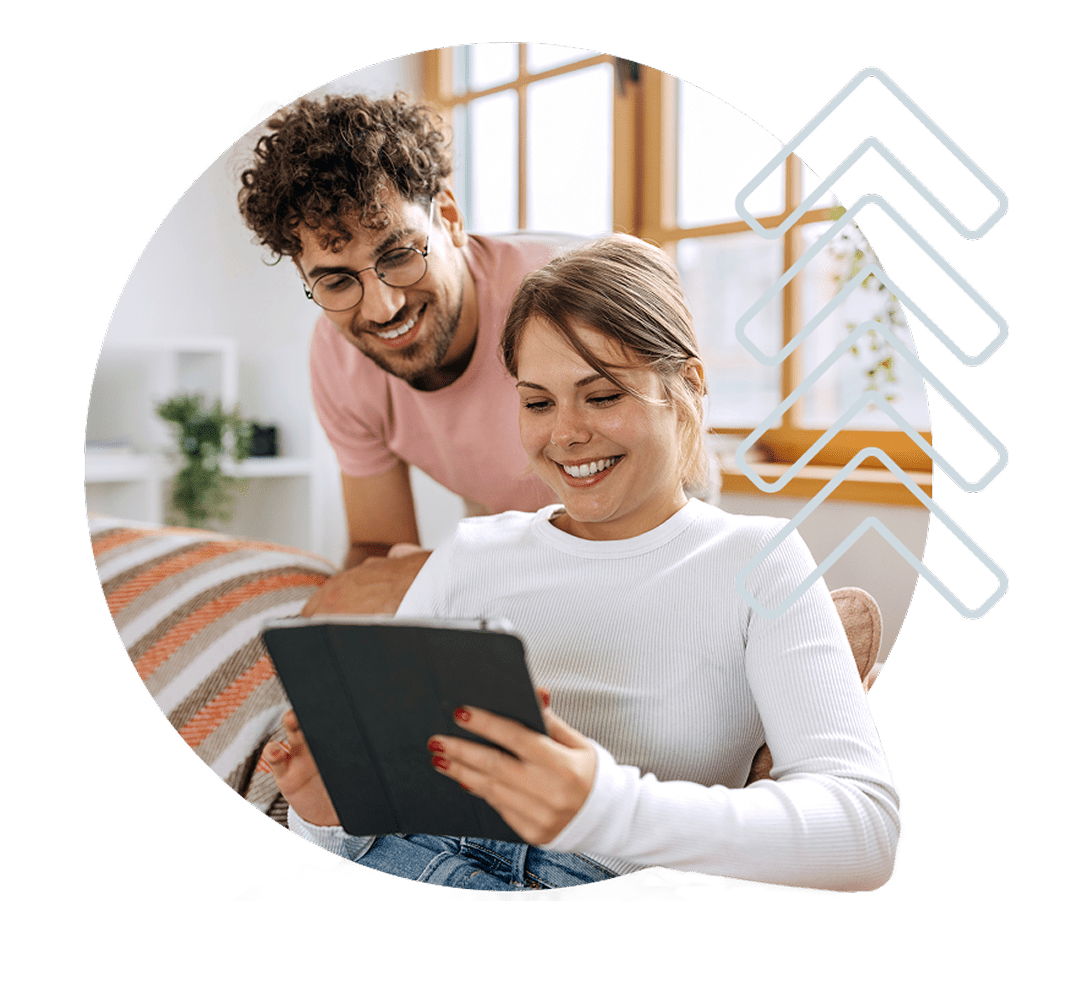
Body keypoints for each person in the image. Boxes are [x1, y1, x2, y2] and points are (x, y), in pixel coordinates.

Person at [264, 234, 901, 894]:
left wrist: (603, 807)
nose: (565, 435)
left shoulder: (759, 562)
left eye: (602, 397)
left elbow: (863, 833)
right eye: (538, 402)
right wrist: (324, 817)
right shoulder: (472, 553)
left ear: (689, 382)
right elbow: (380, 811)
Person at [238, 93, 567, 615]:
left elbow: (628, 535)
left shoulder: (565, 303)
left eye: (398, 255)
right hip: (513, 550)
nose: (384, 307)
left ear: (451, 219)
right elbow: (378, 547)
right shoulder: (339, 360)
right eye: (337, 281)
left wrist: (449, 571)